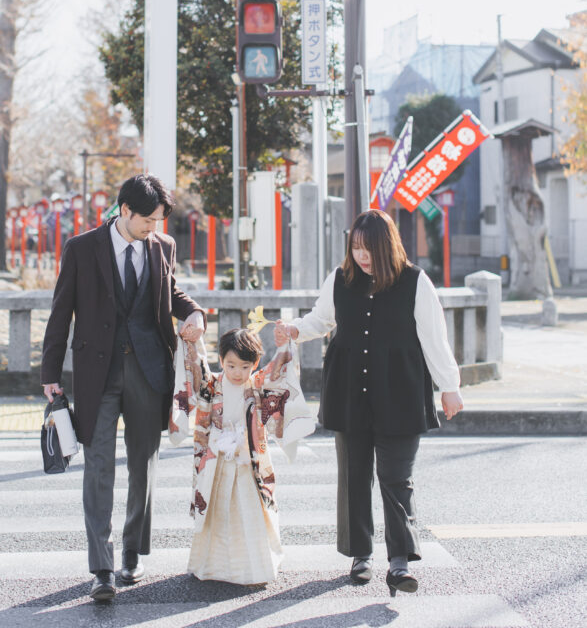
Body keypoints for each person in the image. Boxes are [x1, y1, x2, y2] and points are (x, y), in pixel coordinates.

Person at [274, 208, 463, 598]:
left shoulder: (415, 282)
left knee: (396, 478)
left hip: (401, 393)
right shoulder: (341, 280)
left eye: (369, 248)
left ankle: (400, 562)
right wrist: (295, 329)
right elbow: (320, 320)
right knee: (354, 475)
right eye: (356, 247)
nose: (362, 256)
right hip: (348, 389)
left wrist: (450, 385)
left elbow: (434, 337)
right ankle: (360, 554)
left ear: (387, 245)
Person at [40, 174, 206, 602]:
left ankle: (133, 551)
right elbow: (61, 313)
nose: (155, 227)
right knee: (98, 468)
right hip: (98, 375)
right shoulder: (81, 249)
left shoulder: (163, 247)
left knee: (142, 465)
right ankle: (101, 567)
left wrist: (194, 313)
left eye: (159, 221)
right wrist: (50, 373)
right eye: (148, 220)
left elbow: (171, 291)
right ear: (125, 211)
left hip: (150, 372)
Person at [170, 318, 315, 585]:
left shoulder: (258, 384)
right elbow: (196, 363)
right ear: (222, 361)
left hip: (249, 459)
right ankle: (212, 566)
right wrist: (191, 339)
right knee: (217, 511)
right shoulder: (211, 384)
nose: (237, 373)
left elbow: (278, 372)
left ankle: (253, 566)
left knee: (250, 513)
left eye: (245, 366)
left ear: (255, 365)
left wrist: (284, 345)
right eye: (231, 365)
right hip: (217, 457)